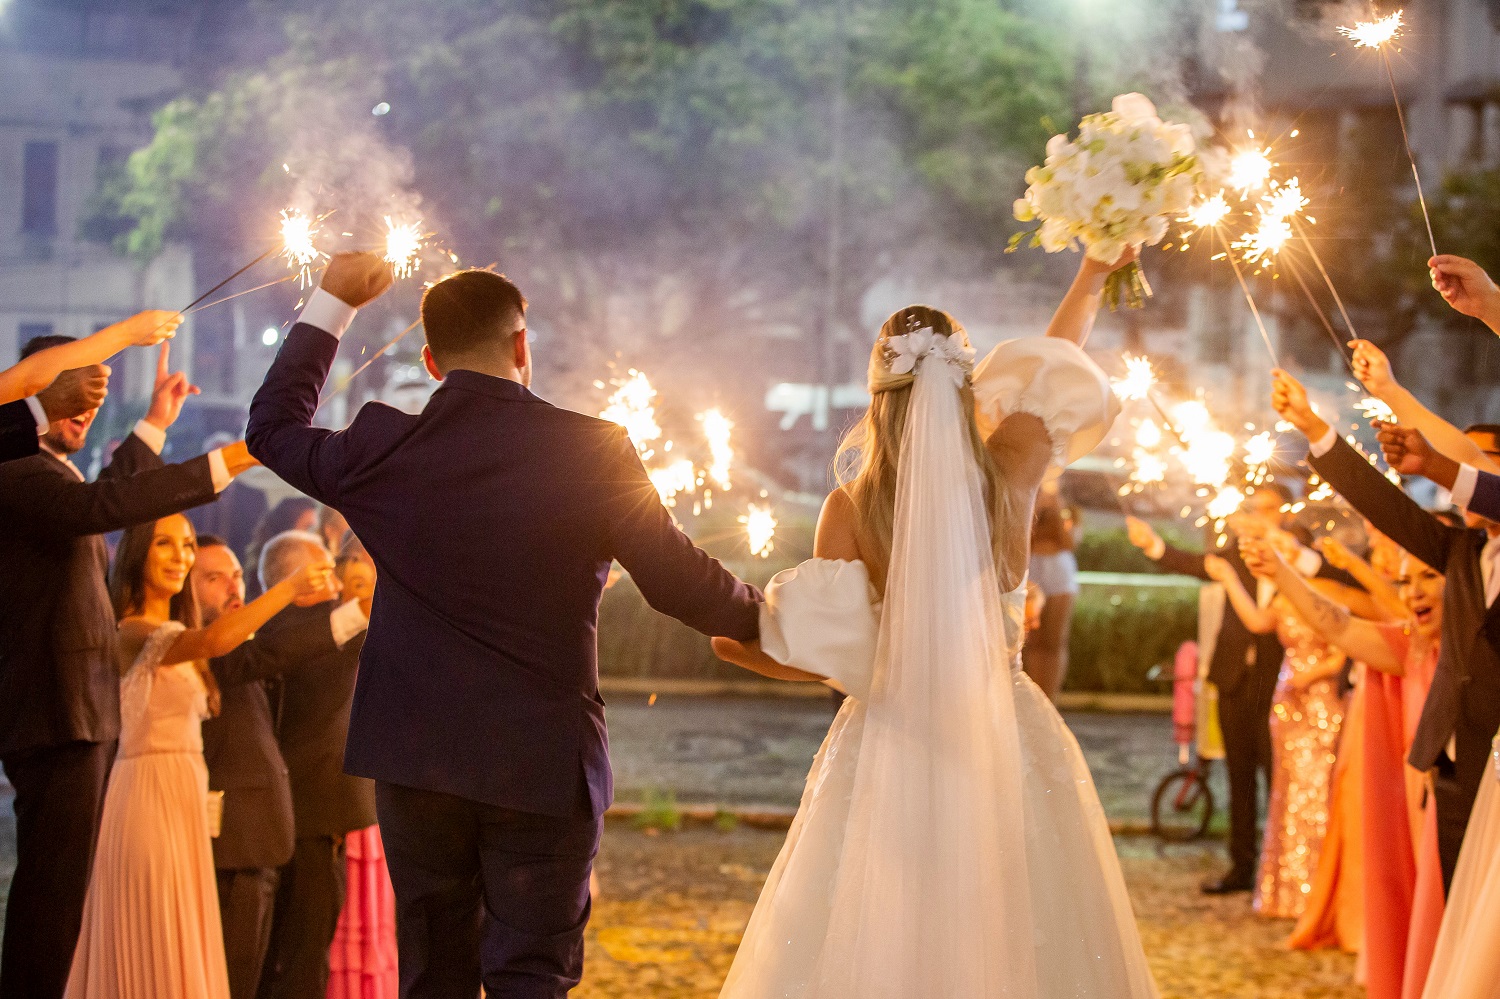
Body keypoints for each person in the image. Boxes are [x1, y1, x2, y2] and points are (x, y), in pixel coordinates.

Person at [246, 253, 763, 998]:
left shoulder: (381, 447)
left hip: (416, 763)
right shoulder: (592, 447)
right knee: (531, 976)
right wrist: (781, 617)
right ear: (523, 344)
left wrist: (332, 301)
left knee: (433, 974)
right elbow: (683, 583)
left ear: (430, 362)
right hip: (541, 761)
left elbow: (270, 427)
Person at [711, 253, 1157, 997]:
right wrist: (1091, 273)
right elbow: (1057, 359)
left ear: (876, 390)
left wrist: (737, 647)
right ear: (968, 383)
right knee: (1028, 920)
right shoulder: (1012, 470)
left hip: (895, 739)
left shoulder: (850, 508)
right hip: (1005, 729)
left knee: (885, 925)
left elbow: (828, 653)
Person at [0, 339, 257, 999]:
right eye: (81, 385)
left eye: (99, 391)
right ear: (39, 388)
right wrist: (228, 459)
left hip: (76, 710)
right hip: (54, 707)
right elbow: (103, 508)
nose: (91, 403)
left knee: (65, 899)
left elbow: (102, 498)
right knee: (51, 902)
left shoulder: (49, 473)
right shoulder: (17, 468)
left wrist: (152, 426)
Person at [63, 513, 336, 999]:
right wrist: (288, 589)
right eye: (165, 544)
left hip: (186, 800)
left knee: (188, 953)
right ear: (137, 554)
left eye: (186, 544)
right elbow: (213, 641)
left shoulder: (178, 632)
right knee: (154, 942)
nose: (179, 555)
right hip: (149, 798)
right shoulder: (129, 631)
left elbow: (244, 650)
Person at [1273, 367, 1500, 893]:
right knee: (1457, 913)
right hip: (1451, 766)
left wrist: (1441, 464)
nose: (1466, 471)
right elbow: (1387, 506)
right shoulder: (1462, 552)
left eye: (1478, 463)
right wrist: (1314, 429)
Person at [1240, 535, 1446, 999]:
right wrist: (1281, 574)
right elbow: (1338, 625)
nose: (1413, 592)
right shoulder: (1407, 648)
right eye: (1406, 580)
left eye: (1429, 577)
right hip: (1422, 812)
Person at [1125, 485, 1348, 894]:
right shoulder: (1234, 553)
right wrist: (1153, 544)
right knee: (1239, 776)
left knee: (1280, 779)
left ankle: (1281, 868)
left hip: (1280, 686)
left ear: (1285, 512)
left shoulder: (1298, 556)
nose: (1258, 516)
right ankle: (1241, 867)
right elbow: (1191, 563)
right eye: (1253, 508)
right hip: (1233, 682)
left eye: (1267, 509)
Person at [192, 535, 367, 999]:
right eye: (215, 577)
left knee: (282, 962)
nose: (333, 585)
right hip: (269, 828)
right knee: (290, 966)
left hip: (281, 823)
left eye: (235, 575)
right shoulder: (289, 634)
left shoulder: (261, 637)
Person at [254, 531, 375, 999]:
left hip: (308, 810)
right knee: (302, 952)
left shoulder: (283, 631)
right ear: (294, 582)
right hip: (314, 810)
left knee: (297, 947)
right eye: (324, 572)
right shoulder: (306, 631)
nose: (336, 583)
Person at [0, 311, 180, 464]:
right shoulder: (20, 469)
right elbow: (102, 502)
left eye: (93, 387)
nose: (86, 404)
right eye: (74, 388)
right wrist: (128, 332)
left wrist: (156, 421)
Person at [1022, 481, 1079, 699]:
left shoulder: (1068, 509)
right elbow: (1022, 538)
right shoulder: (1026, 496)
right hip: (1032, 566)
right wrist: (1036, 505)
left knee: (1054, 642)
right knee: (1032, 641)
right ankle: (1033, 698)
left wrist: (1056, 506)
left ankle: (1050, 698)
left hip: (1059, 570)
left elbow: (1069, 542)